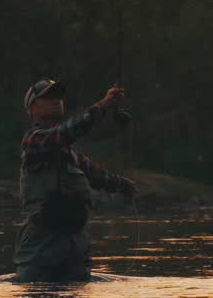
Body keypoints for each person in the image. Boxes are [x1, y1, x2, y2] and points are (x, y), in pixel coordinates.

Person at [13, 79, 138, 282]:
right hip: (42, 244)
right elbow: (66, 132)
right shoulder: (33, 140)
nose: (56, 101)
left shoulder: (70, 151)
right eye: (48, 98)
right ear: (32, 107)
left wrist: (123, 185)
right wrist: (104, 105)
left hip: (75, 245)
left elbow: (96, 176)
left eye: (58, 98)